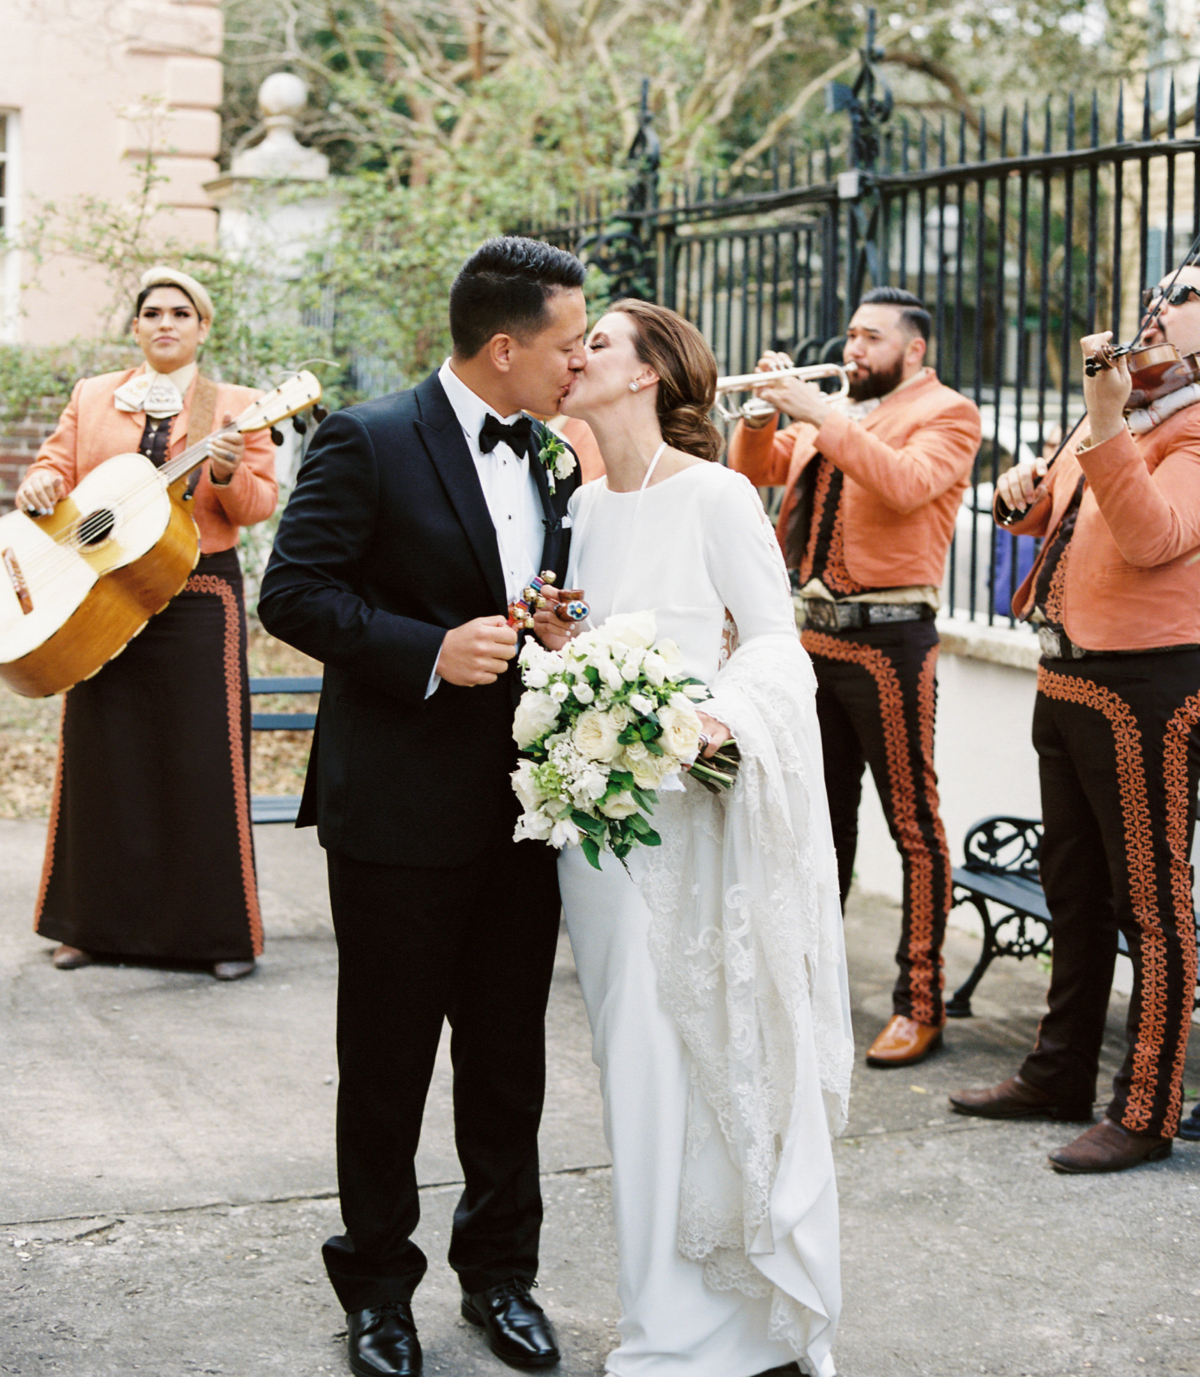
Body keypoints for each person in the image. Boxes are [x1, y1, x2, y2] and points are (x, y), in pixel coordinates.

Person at [256, 237, 587, 1377]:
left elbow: (529, 593)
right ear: (504, 347)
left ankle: (502, 1276)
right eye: (567, 344)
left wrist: (551, 629)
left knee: (509, 1059)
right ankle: (378, 1292)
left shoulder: (554, 456)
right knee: (388, 1060)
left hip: (519, 807)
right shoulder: (368, 437)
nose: (580, 363)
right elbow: (292, 592)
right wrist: (431, 650)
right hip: (396, 810)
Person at [555, 298, 853, 1377]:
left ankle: (709, 1325)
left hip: (692, 806)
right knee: (627, 1057)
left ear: (647, 375)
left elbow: (777, 641)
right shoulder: (582, 506)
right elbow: (580, 642)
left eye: (596, 341)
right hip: (596, 823)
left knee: (697, 1047)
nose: (575, 353)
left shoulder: (720, 493)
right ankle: (664, 1311)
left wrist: (716, 720)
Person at [949, 266, 1200, 1174]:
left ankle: (1147, 1109)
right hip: (1067, 675)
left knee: (1153, 903)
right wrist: (1026, 491)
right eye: (1161, 294)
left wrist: (1102, 422)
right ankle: (1058, 1075)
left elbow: (1154, 538)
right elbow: (1054, 513)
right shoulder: (1128, 409)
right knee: (1073, 890)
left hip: (1147, 688)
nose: (1160, 309)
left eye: (1186, 298)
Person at [728, 287, 981, 1068]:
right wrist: (767, 413)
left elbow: (904, 484)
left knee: (913, 824)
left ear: (914, 350)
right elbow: (757, 472)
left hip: (890, 640)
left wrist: (816, 411)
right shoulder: (835, 412)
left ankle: (921, 1001)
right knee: (818, 820)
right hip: (813, 638)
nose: (853, 349)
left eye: (871, 338)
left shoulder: (949, 414)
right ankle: (810, 979)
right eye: (851, 334)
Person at [17, 265, 277, 981]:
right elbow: (52, 471)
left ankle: (219, 935)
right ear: (136, 327)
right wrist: (38, 484)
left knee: (205, 765)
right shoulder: (92, 396)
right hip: (96, 595)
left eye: (182, 313)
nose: (167, 322)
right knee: (102, 760)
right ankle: (88, 928)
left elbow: (257, 507)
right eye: (154, 312)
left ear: (202, 328)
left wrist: (223, 473)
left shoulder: (237, 406)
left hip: (197, 596)